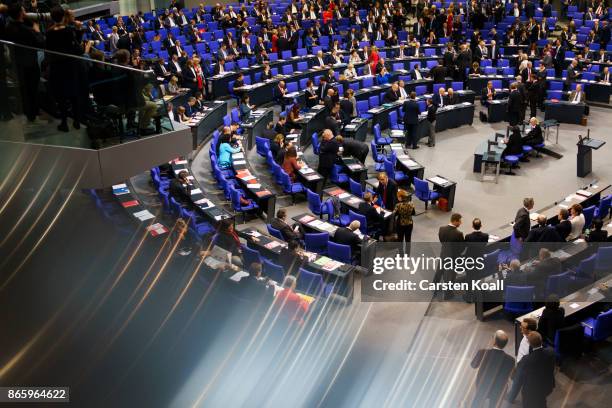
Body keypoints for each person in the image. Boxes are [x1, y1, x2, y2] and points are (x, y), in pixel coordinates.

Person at [508, 332, 556, 408]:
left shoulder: (526, 360)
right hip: (546, 386)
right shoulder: (551, 352)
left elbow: (519, 376)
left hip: (531, 391)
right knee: (542, 402)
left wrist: (513, 376)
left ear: (530, 344)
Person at [470, 330, 515, 408]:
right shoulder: (510, 360)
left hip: (482, 385)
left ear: (494, 342)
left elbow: (473, 365)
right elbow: (513, 376)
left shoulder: (482, 352)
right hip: (499, 388)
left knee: (477, 403)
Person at [435, 213, 465, 290]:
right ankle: (448, 294)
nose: (460, 223)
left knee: (439, 271)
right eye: (459, 221)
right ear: (455, 221)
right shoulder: (459, 234)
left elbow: (441, 240)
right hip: (453, 257)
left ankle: (434, 286)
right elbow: (462, 247)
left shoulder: (441, 229)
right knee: (450, 276)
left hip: (444, 253)